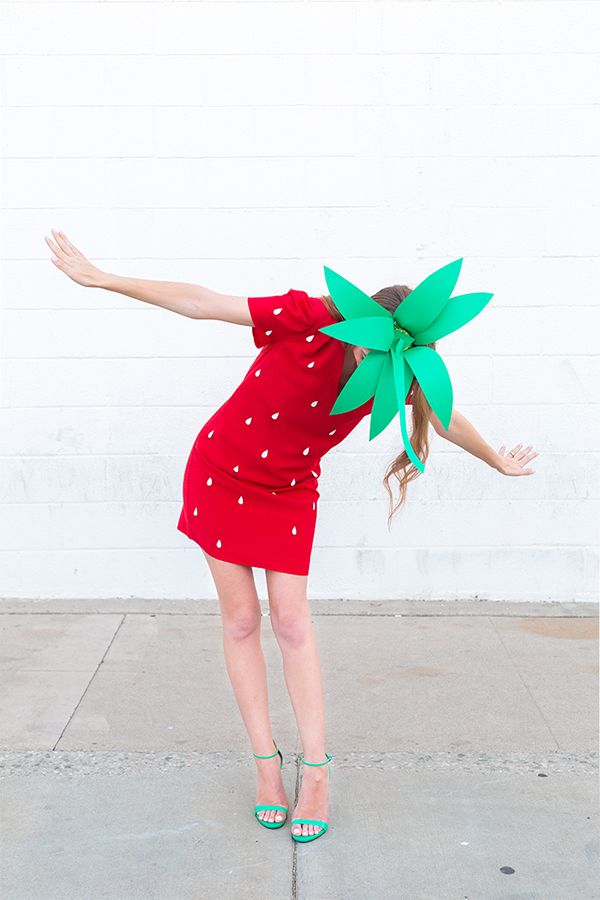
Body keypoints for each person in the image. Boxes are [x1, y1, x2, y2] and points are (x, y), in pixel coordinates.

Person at [45, 228, 539, 843]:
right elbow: (206, 302)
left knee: (292, 623)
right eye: (370, 354)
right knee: (241, 622)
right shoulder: (311, 317)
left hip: (288, 490)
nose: (375, 367)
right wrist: (105, 278)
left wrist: (496, 459)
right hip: (220, 472)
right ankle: (265, 768)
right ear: (361, 328)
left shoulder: (403, 370)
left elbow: (444, 412)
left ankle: (317, 771)